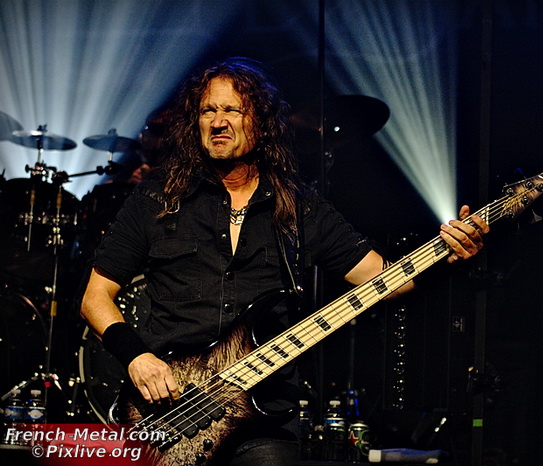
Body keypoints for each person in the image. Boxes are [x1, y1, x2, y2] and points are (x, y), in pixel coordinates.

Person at [79, 57, 488, 465]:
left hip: (264, 417)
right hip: (170, 410)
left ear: (260, 122)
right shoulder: (156, 198)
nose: (218, 122)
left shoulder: (299, 207)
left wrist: (449, 255)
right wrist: (136, 357)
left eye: (232, 110)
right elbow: (95, 297)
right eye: (207, 111)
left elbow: (385, 281)